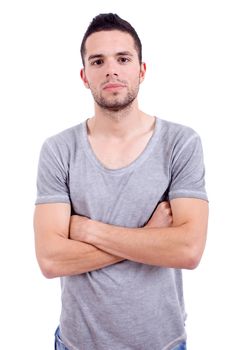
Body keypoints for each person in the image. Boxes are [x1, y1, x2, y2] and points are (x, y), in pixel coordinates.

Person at [34, 13, 209, 350]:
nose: (111, 70)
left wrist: (87, 231)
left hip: (162, 343)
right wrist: (150, 238)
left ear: (141, 70)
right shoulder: (58, 150)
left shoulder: (180, 143)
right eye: (98, 61)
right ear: (85, 76)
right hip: (77, 343)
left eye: (123, 59)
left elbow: (188, 250)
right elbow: (51, 260)